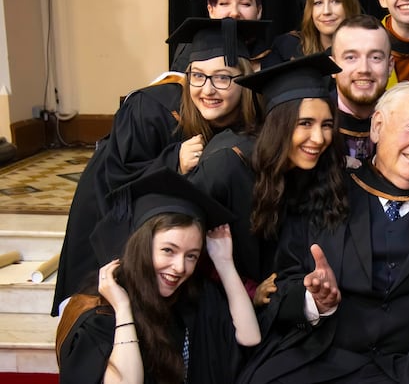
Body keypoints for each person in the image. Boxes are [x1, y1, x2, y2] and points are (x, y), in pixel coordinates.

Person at [238, 82, 409, 383]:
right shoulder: (331, 191)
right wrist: (314, 301)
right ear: (377, 127)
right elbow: (283, 285)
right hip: (328, 355)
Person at [52, 17, 269, 316]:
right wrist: (173, 161)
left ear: (243, 80)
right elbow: (115, 181)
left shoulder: (252, 121)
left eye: (223, 77)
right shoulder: (151, 111)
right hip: (114, 232)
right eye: (198, 76)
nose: (208, 89)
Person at [56, 168, 260, 384]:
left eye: (191, 255)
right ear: (141, 246)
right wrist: (123, 310)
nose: (180, 267)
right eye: (168, 250)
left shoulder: (194, 297)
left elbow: (249, 337)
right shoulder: (99, 315)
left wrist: (224, 263)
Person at [194, 53, 349, 301]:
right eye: (305, 123)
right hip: (215, 307)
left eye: (327, 125)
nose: (319, 138)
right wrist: (247, 291)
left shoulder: (313, 170)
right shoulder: (228, 164)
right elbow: (188, 248)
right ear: (279, 124)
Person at [329, 14, 394, 165]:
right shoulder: (313, 123)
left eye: (375, 57)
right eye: (351, 57)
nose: (364, 69)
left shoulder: (406, 120)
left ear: (390, 66)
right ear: (332, 66)